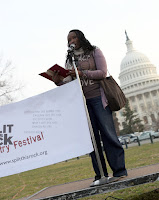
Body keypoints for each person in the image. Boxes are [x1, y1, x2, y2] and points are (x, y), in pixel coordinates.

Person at [51, 29, 127, 186]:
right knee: (92, 140)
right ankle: (100, 174)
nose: (71, 40)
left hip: (99, 99)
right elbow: (70, 82)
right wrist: (58, 81)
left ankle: (119, 171)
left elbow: (103, 72)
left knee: (108, 134)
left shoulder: (94, 51)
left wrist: (82, 73)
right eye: (68, 39)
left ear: (80, 38)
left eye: (73, 37)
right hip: (83, 104)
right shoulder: (69, 59)